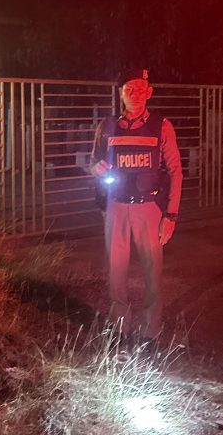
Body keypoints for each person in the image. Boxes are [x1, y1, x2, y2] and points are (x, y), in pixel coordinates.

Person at [90, 67, 182, 345]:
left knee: (152, 273)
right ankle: (121, 328)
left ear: (149, 92)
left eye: (140, 89)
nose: (135, 94)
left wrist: (171, 215)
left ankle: (150, 333)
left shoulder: (162, 126)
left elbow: (176, 171)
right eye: (128, 89)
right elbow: (92, 162)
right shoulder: (107, 126)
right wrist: (95, 168)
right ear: (120, 93)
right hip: (115, 207)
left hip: (149, 208)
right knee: (116, 272)